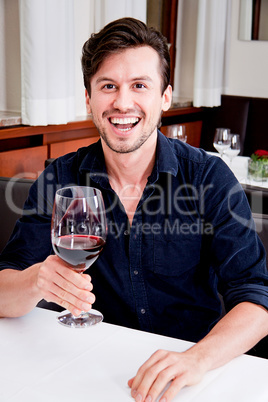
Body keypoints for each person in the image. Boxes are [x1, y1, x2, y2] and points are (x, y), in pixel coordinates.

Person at [0, 17, 267, 402]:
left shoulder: (209, 177)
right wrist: (37, 280)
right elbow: (5, 288)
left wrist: (197, 359)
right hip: (89, 368)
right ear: (89, 98)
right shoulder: (60, 177)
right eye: (108, 86)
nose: (123, 103)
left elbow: (257, 298)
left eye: (139, 85)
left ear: (164, 97)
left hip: (192, 374)